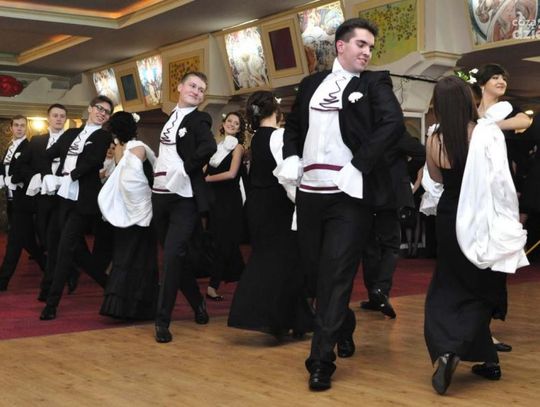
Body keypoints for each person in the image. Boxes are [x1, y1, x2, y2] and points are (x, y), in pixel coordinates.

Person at [276, 18, 404, 390]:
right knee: (316, 276)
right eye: (361, 44)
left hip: (348, 196)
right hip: (310, 195)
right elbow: (293, 127)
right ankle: (342, 324)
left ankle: (320, 361)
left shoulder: (374, 83)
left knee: (336, 276)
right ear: (341, 46)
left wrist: (359, 165)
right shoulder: (311, 84)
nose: (367, 52)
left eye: (371, 47)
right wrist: (290, 156)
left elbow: (393, 123)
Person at [424, 76, 527, 395]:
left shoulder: (434, 138)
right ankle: (454, 349)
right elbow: (502, 180)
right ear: (469, 101)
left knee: (449, 283)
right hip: (481, 215)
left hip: (449, 215)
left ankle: (482, 357)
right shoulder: (485, 133)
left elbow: (436, 177)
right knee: (481, 285)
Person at [227, 91, 313, 338]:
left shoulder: (256, 138)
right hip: (277, 203)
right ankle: (278, 319)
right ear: (276, 111)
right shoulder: (279, 136)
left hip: (258, 204)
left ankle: (291, 320)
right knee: (284, 261)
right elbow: (287, 174)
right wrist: (301, 201)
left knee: (272, 259)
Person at [152, 71, 216, 343]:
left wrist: (185, 169)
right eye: (193, 86)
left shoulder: (199, 119)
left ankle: (162, 321)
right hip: (159, 195)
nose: (197, 92)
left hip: (184, 197)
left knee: (171, 257)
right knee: (174, 257)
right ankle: (197, 303)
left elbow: (209, 146)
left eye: (201, 89)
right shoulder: (171, 118)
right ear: (179, 87)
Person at [39, 95, 114, 320]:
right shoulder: (71, 133)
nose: (102, 113)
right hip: (63, 198)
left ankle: (51, 304)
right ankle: (109, 285)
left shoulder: (103, 136)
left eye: (106, 112)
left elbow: (93, 161)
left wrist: (69, 177)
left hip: (83, 200)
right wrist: (47, 175)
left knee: (64, 249)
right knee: (76, 251)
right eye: (99, 108)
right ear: (89, 109)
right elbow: (47, 155)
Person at [474, 63, 532, 352]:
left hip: (501, 193)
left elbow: (525, 120)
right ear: (482, 83)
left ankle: (486, 326)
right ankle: (474, 327)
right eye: (495, 77)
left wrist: (492, 126)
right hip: (474, 191)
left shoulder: (506, 109)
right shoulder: (470, 111)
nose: (501, 81)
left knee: (496, 258)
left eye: (503, 78)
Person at [6, 104, 79, 300]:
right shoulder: (37, 141)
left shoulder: (72, 141)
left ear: (65, 119)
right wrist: (36, 176)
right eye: (55, 115)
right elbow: (21, 166)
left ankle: (50, 287)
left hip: (64, 198)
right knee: (47, 241)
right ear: (48, 119)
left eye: (62, 116)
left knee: (62, 242)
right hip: (43, 199)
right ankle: (69, 272)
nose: (58, 119)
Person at [98, 111, 158, 320]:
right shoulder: (139, 148)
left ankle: (119, 306)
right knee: (141, 258)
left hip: (124, 212)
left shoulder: (120, 149)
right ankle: (138, 307)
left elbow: (124, 181)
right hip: (140, 213)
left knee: (124, 257)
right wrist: (143, 209)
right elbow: (134, 184)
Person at [360, 132, 425, 319]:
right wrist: (404, 172)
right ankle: (381, 289)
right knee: (391, 245)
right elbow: (420, 152)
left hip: (369, 193)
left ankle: (374, 293)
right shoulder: (396, 133)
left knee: (370, 247)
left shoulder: (366, 131)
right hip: (392, 196)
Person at [0, 115, 46, 291]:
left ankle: (3, 280)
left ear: (26, 128)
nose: (19, 128)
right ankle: (56, 270)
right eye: (16, 125)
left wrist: (14, 179)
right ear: (11, 128)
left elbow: (31, 171)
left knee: (13, 242)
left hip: (24, 201)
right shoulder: (10, 147)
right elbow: (5, 167)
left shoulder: (29, 147)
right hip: (12, 200)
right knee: (29, 242)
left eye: (22, 125)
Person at [204, 112, 246, 301]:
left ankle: (212, 286)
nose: (231, 124)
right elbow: (205, 168)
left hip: (230, 201)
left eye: (236, 123)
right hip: (215, 200)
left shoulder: (238, 147)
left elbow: (231, 174)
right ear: (223, 123)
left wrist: (208, 179)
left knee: (224, 243)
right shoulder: (217, 146)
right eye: (229, 121)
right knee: (225, 244)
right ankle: (245, 280)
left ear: (239, 129)